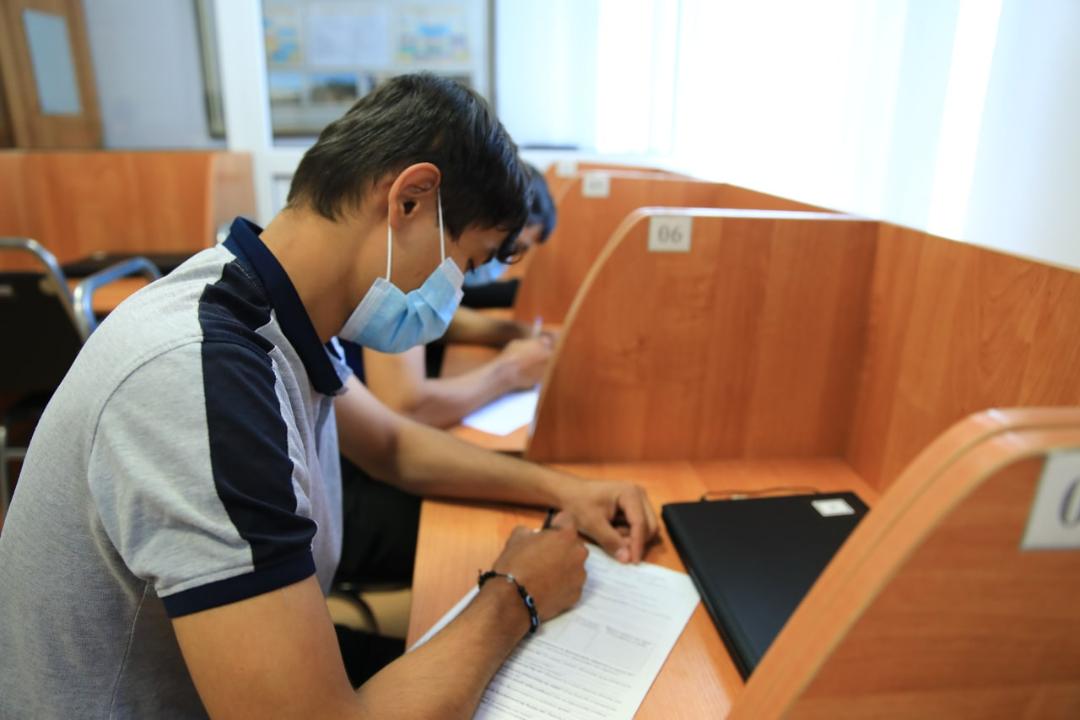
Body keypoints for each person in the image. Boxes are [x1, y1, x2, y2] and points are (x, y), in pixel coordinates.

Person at [0, 74, 656, 718]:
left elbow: (392, 446)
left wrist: (564, 490)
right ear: (410, 200)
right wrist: (516, 594)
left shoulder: (266, 304)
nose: (455, 292)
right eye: (465, 262)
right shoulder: (201, 374)